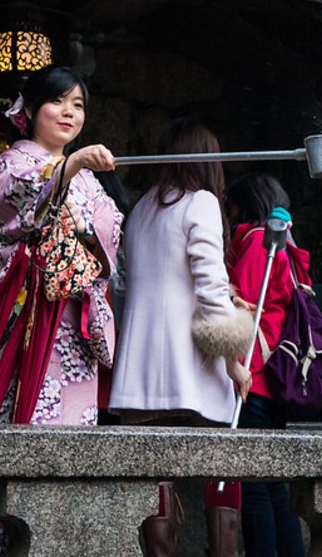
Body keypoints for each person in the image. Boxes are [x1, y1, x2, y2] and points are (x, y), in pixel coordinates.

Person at [109, 118, 252, 557]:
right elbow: (210, 288)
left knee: (155, 478)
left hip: (139, 366)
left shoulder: (141, 208)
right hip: (189, 366)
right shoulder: (201, 202)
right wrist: (232, 361)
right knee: (220, 468)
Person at [0, 65, 121, 427]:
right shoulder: (11, 163)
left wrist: (85, 230)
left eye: (78, 105)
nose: (69, 112)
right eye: (57, 101)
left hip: (74, 309)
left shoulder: (89, 180)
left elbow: (109, 233)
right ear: (29, 109)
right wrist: (72, 164)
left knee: (74, 422)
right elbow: (12, 201)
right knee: (28, 410)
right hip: (28, 304)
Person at [224, 172, 307, 557]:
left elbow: (241, 305)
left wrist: (234, 364)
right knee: (273, 482)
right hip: (276, 372)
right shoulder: (287, 247)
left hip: (254, 373)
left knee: (256, 484)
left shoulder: (260, 243)